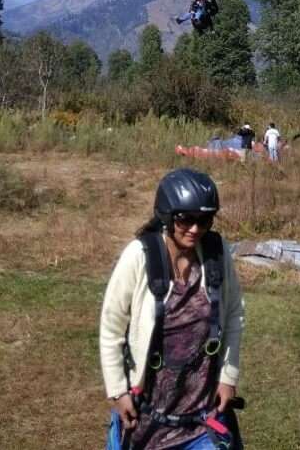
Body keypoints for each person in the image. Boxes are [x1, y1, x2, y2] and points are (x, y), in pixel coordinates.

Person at [100, 168, 244, 449]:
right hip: (146, 417)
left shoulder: (217, 253)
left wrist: (228, 377)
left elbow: (234, 314)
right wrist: (118, 391)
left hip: (202, 420)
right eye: (185, 219)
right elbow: (111, 327)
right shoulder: (138, 257)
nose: (195, 229)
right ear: (166, 216)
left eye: (204, 220)